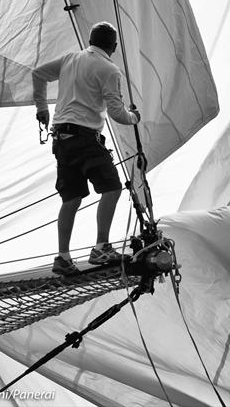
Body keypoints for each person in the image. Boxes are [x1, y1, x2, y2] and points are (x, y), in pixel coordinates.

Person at [32, 21, 141, 275]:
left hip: (61, 139)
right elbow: (117, 113)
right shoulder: (110, 70)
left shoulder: (71, 58)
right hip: (84, 139)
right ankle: (101, 247)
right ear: (113, 46)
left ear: (90, 40)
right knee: (112, 187)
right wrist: (134, 116)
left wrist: (41, 108)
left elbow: (38, 74)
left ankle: (63, 257)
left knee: (72, 198)